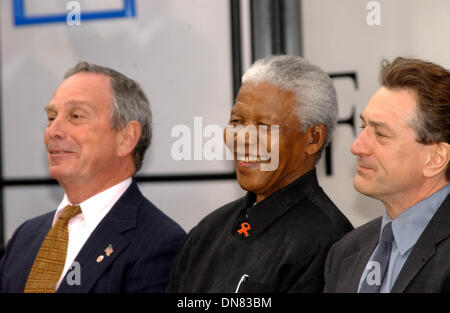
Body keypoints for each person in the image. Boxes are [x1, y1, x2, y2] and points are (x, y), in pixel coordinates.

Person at [166, 55, 353, 293]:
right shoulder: (207, 232)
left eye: (264, 126)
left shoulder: (330, 244)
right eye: (237, 121)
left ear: (313, 138)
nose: (243, 139)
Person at [0, 62, 186, 293]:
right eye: (51, 117)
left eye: (76, 116)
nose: (53, 131)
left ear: (127, 138)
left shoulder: (160, 243)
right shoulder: (25, 236)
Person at [324, 57, 450, 293]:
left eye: (381, 134)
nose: (357, 147)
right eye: (363, 128)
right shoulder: (345, 252)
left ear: (435, 159)